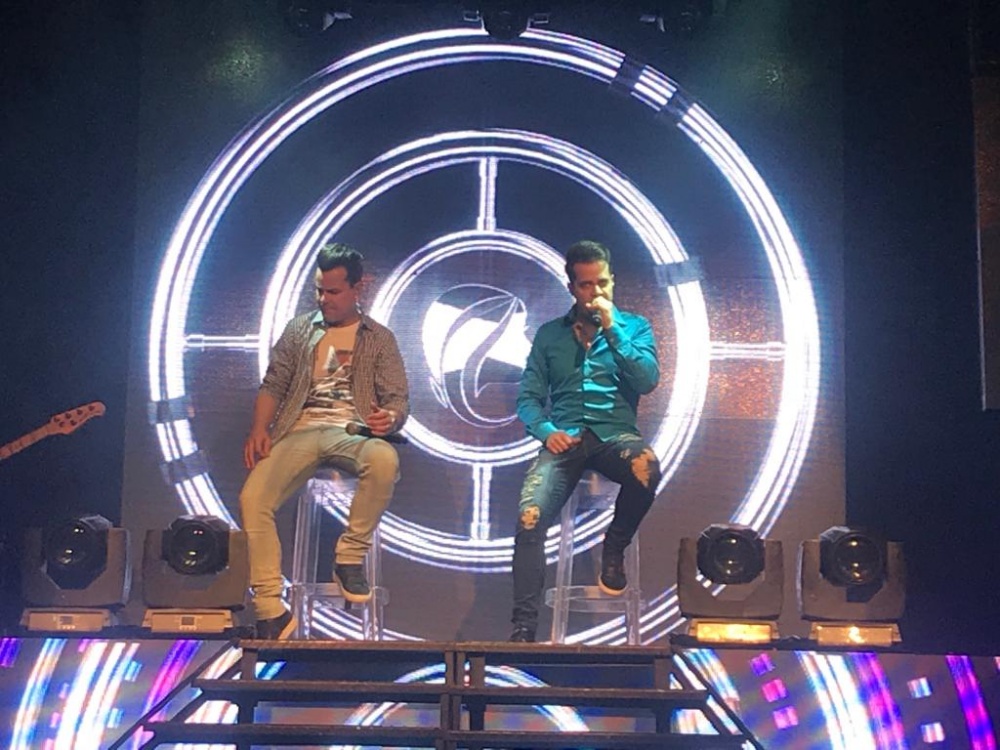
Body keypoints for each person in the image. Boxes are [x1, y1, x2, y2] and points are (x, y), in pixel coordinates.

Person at [239, 243, 409, 640]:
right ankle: (270, 610)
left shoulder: (378, 338)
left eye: (333, 291)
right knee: (253, 499)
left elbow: (398, 399)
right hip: (300, 430)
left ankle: (349, 558)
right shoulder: (300, 330)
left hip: (353, 432)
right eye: (319, 290)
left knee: (384, 460)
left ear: (357, 288)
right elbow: (273, 384)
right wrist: (260, 429)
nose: (324, 299)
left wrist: (389, 417)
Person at [509, 240, 661, 643]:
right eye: (586, 285)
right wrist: (546, 432)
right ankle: (524, 627)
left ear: (612, 280)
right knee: (528, 518)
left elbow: (647, 380)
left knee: (647, 467)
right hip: (567, 438)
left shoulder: (634, 327)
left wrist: (612, 330)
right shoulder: (550, 335)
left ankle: (615, 547)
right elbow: (528, 399)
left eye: (603, 283)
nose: (596, 293)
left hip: (615, 436)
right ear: (572, 288)